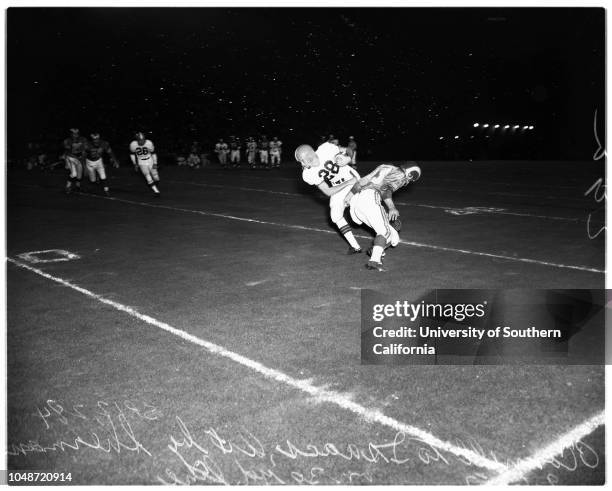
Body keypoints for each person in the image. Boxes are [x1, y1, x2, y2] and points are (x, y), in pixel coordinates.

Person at [343, 162, 421, 271]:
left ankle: (377, 257)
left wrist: (349, 196)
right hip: (370, 198)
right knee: (385, 232)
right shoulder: (399, 174)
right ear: (409, 174)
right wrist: (392, 207)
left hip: (357, 202)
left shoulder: (385, 167)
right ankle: (373, 261)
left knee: (393, 237)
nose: (407, 182)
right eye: (409, 179)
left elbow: (361, 182)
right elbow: (385, 189)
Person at [295, 141, 362, 253]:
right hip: (341, 185)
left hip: (352, 178)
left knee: (361, 212)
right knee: (335, 216)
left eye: (302, 160)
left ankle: (385, 233)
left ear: (309, 156)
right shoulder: (308, 174)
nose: (301, 164)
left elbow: (349, 150)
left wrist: (348, 157)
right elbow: (328, 191)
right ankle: (355, 246)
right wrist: (347, 183)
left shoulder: (326, 149)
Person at [129, 131, 160, 196]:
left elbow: (153, 153)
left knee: (155, 176)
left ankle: (155, 185)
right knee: (147, 175)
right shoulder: (133, 144)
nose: (142, 142)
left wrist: (155, 163)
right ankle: (156, 190)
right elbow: (132, 154)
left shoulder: (149, 143)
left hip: (150, 159)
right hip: (141, 162)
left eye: (143, 140)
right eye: (140, 140)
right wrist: (135, 163)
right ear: (137, 140)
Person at [62, 128, 87, 194]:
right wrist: (66, 162)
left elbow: (84, 149)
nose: (75, 135)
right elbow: (67, 149)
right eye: (74, 134)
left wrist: (83, 155)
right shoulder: (67, 140)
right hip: (70, 157)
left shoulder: (82, 139)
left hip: (78, 158)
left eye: (76, 133)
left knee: (79, 174)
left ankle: (77, 186)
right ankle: (67, 187)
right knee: (74, 174)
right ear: (71, 134)